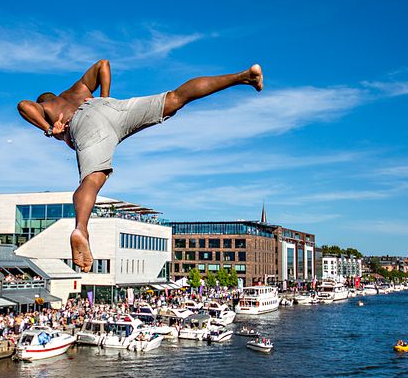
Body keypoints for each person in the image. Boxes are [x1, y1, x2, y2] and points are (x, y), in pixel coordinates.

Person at [18, 60, 263, 272]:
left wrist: (49, 128)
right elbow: (103, 63)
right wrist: (104, 97)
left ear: (45, 102)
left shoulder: (48, 107)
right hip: (110, 108)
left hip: (85, 126)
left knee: (91, 180)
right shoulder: (79, 89)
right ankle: (244, 76)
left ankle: (81, 228)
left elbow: (23, 106)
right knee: (175, 98)